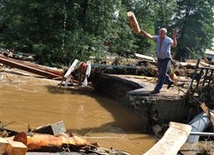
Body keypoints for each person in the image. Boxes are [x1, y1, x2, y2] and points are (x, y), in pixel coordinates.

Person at [139, 28, 177, 94]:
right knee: (160, 72)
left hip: (166, 59)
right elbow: (150, 37)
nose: (160, 34)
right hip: (160, 59)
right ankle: (169, 81)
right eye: (159, 32)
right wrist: (144, 32)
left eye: (161, 33)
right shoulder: (158, 38)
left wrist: (174, 37)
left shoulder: (168, 40)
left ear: (165, 33)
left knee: (161, 74)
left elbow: (174, 45)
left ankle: (157, 89)